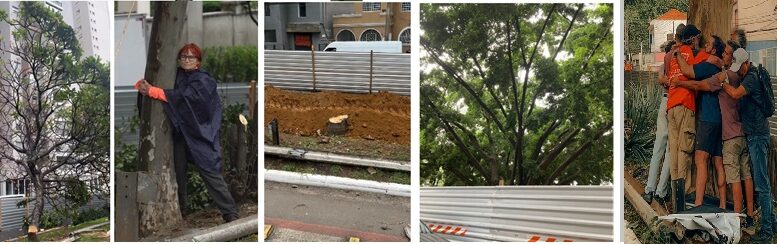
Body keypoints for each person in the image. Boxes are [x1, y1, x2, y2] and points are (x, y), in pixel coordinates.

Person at [135, 43, 240, 223]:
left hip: (200, 133)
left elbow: (186, 98)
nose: (186, 59)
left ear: (198, 61)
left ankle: (229, 212)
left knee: (209, 170)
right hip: (180, 134)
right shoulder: (174, 75)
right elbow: (169, 92)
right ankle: (182, 210)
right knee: (178, 170)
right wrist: (145, 87)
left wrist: (156, 91)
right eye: (183, 56)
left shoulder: (203, 80)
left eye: (191, 57)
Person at [674, 41, 756, 227]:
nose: (725, 57)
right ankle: (742, 213)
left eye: (728, 54)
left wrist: (680, 82)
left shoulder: (723, 76)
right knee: (737, 171)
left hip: (721, 129)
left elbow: (700, 84)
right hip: (738, 131)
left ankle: (705, 207)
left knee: (704, 161)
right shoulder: (742, 78)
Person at [720, 48, 774, 242]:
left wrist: (723, 83)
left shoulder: (750, 78)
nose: (739, 72)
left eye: (739, 67)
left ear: (745, 63)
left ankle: (767, 232)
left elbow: (734, 94)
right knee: (761, 181)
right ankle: (771, 225)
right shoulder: (749, 74)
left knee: (762, 185)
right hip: (755, 134)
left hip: (758, 135)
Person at [674, 35, 726, 208]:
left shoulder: (709, 66)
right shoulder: (718, 66)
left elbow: (688, 71)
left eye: (708, 44)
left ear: (713, 50)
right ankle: (723, 205)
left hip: (708, 119)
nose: (705, 45)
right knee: (718, 161)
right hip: (719, 119)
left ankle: (698, 203)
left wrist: (678, 54)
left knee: (700, 159)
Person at [643, 24, 686, 205]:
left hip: (665, 102)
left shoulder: (665, 64)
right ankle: (660, 191)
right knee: (668, 150)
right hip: (673, 103)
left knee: (659, 149)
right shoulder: (679, 61)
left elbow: (661, 79)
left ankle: (650, 190)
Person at [665, 24, 702, 213]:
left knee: (673, 151)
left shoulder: (673, 55)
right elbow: (693, 74)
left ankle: (674, 197)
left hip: (671, 105)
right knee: (684, 149)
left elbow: (667, 79)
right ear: (692, 39)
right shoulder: (689, 53)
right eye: (697, 39)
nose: (698, 42)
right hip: (685, 105)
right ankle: (684, 195)